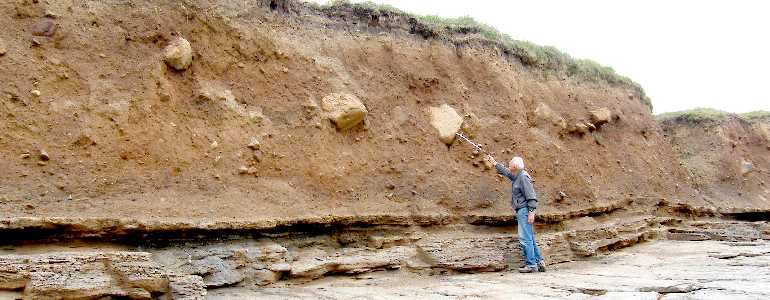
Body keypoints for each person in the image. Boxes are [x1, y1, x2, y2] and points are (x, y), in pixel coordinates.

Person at [485, 154, 545, 273]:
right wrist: (494, 163)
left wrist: (531, 212)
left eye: (510, 163)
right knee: (530, 238)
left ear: (516, 166)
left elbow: (531, 196)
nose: (509, 164)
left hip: (524, 211)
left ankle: (531, 265)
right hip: (523, 210)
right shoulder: (518, 176)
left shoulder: (523, 177)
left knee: (525, 238)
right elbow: (507, 173)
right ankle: (539, 262)